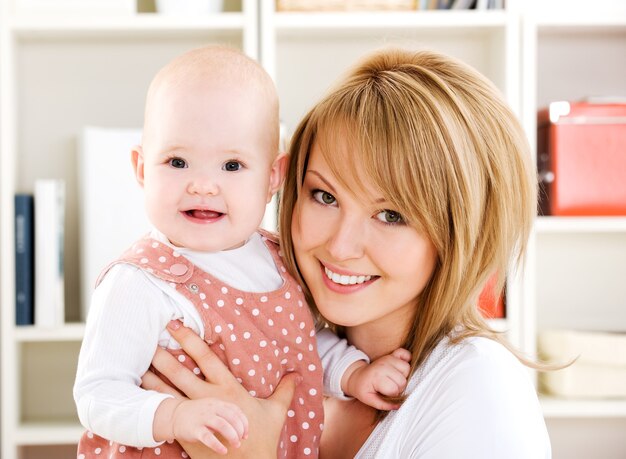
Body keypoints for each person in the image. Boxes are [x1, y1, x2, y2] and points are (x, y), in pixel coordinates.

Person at [143, 47, 552, 458]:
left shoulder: (477, 383)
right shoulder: (286, 368)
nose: (340, 245)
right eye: (324, 196)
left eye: (391, 215)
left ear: (464, 233)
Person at [73, 46, 411, 459]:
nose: (203, 185)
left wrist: (353, 374)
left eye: (231, 166)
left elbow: (298, 343)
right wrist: (174, 415)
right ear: (142, 169)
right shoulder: (139, 282)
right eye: (177, 161)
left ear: (272, 177)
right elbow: (97, 394)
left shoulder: (278, 259)